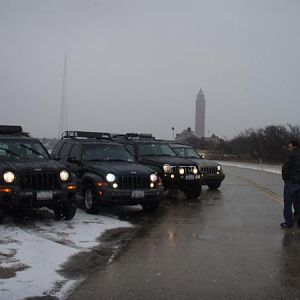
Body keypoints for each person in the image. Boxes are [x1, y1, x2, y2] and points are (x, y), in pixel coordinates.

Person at [281, 140, 300, 228]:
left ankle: (288, 222)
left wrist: (285, 179)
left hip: (291, 182)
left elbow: (285, 168)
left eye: (290, 147)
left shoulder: (291, 155)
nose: (289, 149)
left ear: (295, 146)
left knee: (288, 204)